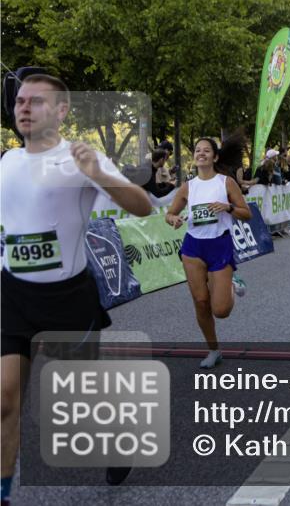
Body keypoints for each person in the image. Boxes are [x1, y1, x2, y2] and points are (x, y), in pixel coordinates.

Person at [2, 74, 153, 496]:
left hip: (65, 298)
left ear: (63, 110)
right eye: (19, 101)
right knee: (4, 399)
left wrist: (97, 174)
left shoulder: (81, 157)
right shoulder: (7, 162)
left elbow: (142, 206)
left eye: (36, 101)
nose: (24, 107)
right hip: (11, 294)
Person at [165, 137, 252, 369]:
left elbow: (246, 213)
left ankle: (232, 282)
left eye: (206, 151)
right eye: (197, 150)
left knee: (221, 310)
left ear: (215, 157)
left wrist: (228, 207)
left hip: (219, 245)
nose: (201, 153)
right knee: (201, 302)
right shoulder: (188, 186)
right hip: (193, 247)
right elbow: (170, 213)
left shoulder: (226, 183)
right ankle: (213, 350)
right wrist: (173, 219)